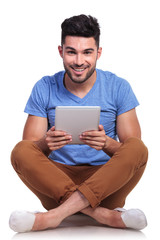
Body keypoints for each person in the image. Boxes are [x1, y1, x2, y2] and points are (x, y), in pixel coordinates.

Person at [9, 14, 148, 233]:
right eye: (71, 52)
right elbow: (30, 152)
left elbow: (132, 153)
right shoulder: (44, 87)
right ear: (61, 52)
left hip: (107, 184)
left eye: (87, 52)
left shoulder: (119, 87)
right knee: (20, 151)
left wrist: (107, 144)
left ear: (98, 53)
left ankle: (54, 217)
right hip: (55, 184)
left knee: (139, 149)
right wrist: (46, 144)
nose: (79, 61)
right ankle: (102, 214)